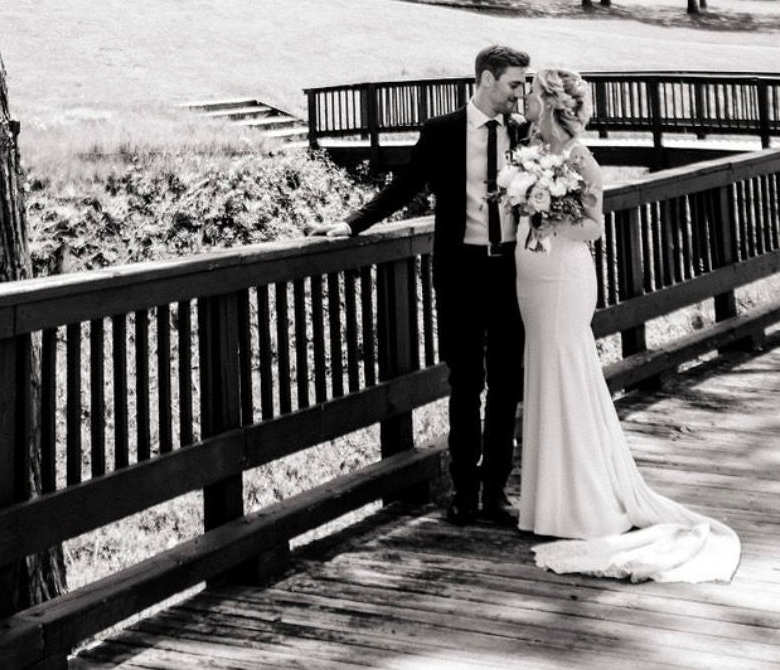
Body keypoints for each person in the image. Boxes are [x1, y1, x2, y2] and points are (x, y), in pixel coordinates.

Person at [516, 66, 740, 582]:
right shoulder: (531, 153)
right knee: (544, 376)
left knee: (566, 373)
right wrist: (524, 199)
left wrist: (545, 212)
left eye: (532, 95)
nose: (525, 102)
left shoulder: (579, 159)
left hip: (563, 279)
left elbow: (592, 226)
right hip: (530, 276)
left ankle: (581, 504)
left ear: (550, 103)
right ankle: (547, 503)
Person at [310, 43, 531, 525]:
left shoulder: (522, 133)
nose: (520, 93)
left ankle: (496, 492)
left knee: (507, 384)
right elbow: (404, 186)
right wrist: (352, 224)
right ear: (487, 80)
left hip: (510, 274)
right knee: (466, 383)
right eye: (514, 83)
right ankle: (464, 493)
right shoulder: (443, 132)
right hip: (462, 271)